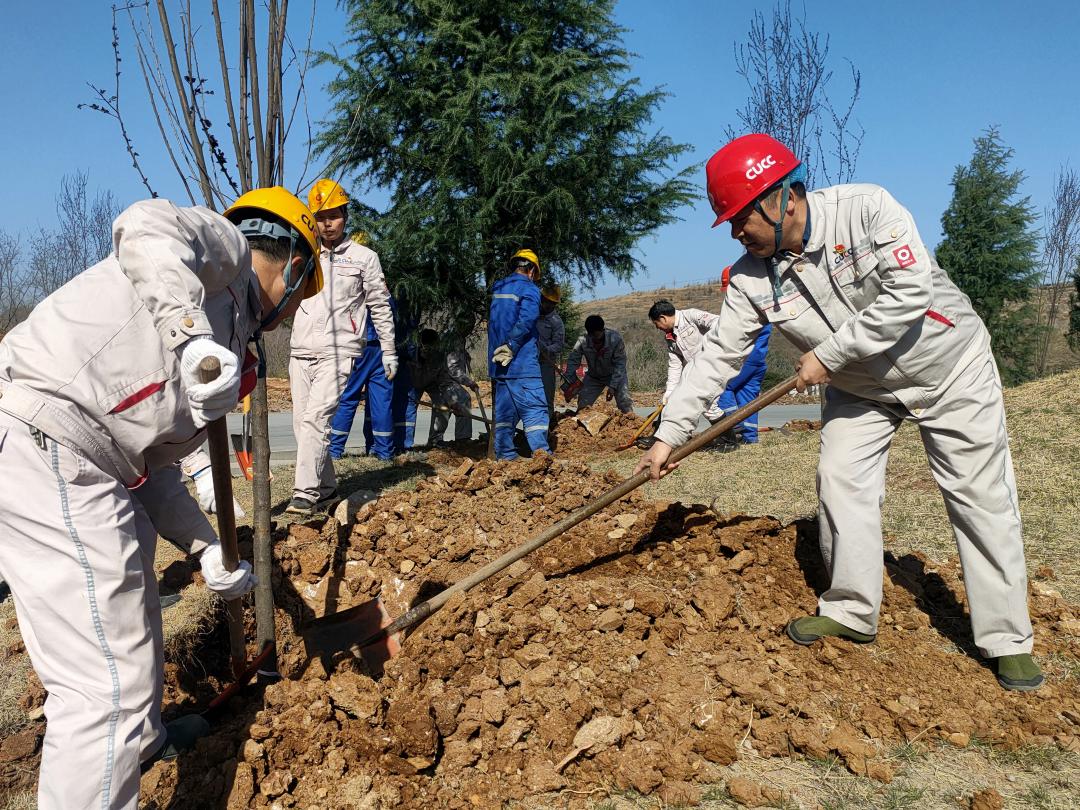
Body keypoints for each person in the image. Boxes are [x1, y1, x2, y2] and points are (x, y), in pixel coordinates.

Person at [636, 133, 1043, 691]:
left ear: (781, 200)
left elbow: (909, 291)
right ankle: (851, 610)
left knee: (979, 497)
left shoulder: (866, 209)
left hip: (949, 367)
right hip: (860, 387)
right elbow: (714, 360)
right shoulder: (753, 278)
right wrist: (670, 433)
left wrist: (827, 354)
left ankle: (1007, 638)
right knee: (840, 478)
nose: (735, 232)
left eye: (738, 218)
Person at [0, 188, 321, 808]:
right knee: (104, 692)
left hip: (91, 458)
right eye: (303, 291)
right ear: (292, 261)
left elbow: (155, 470)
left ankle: (140, 739)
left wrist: (206, 549)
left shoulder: (234, 335)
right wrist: (190, 339)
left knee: (132, 604)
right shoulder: (221, 252)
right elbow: (140, 223)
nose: (294, 308)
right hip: (50, 436)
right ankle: (120, 735)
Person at [288, 180, 396, 515]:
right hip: (301, 348)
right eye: (321, 217)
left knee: (316, 421)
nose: (327, 224)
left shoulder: (365, 258)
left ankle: (304, 494)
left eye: (334, 216)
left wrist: (389, 349)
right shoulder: (303, 256)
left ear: (345, 216)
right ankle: (327, 489)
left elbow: (380, 306)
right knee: (302, 425)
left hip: (339, 350)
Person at [488, 249, 551, 459]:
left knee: (506, 413)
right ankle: (542, 456)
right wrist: (512, 346)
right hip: (521, 362)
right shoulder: (529, 288)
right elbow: (527, 319)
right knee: (535, 410)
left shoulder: (499, 287)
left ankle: (506, 457)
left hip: (499, 363)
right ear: (532, 270)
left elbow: (497, 323)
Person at [327, 286, 398, 462]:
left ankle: (334, 450)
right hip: (383, 350)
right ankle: (384, 452)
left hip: (359, 348)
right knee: (382, 402)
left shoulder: (353, 288)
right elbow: (392, 316)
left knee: (348, 397)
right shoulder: (383, 291)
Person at [714, 266, 772, 446]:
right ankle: (750, 438)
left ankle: (735, 430)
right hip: (758, 359)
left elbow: (736, 336)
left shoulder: (743, 308)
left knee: (723, 388)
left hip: (746, 356)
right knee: (747, 395)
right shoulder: (762, 303)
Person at [409, 329, 474, 446]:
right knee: (408, 410)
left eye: (433, 347)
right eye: (426, 347)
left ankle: (435, 441)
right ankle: (406, 445)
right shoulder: (410, 355)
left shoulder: (438, 356)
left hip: (432, 383)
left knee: (442, 404)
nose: (429, 350)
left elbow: (442, 379)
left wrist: (451, 402)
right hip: (411, 384)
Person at [566, 315, 633, 414]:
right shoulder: (582, 340)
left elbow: (620, 364)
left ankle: (631, 424)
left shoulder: (615, 339)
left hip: (614, 375)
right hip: (593, 376)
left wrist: (613, 386)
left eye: (597, 336)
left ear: (602, 330)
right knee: (583, 404)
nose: (595, 339)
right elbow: (573, 360)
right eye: (592, 336)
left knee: (625, 401)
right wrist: (570, 381)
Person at [536, 284, 566, 426]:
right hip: (527, 364)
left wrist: (546, 349)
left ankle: (545, 430)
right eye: (546, 301)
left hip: (545, 365)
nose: (548, 305)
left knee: (546, 399)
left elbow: (558, 345)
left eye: (551, 303)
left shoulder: (556, 322)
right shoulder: (530, 314)